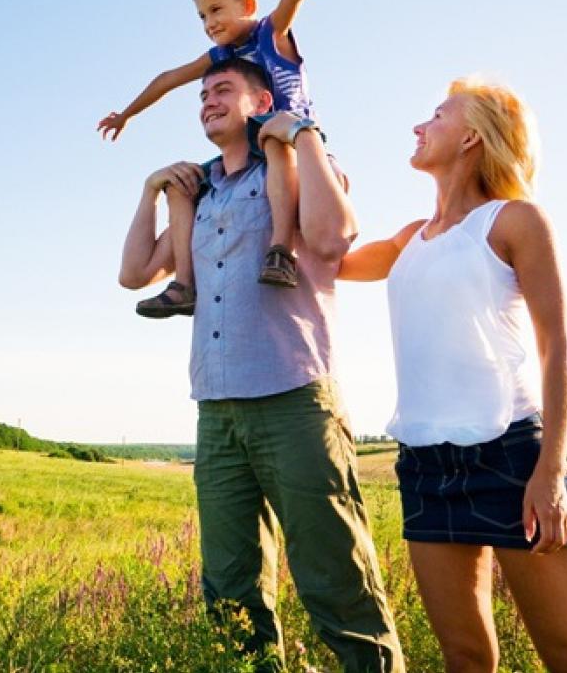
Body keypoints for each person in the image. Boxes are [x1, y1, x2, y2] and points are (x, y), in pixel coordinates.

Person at [118, 57, 403, 673]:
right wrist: (149, 190)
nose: (206, 102)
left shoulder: (296, 170)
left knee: (335, 575)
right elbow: (135, 272)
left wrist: (301, 135)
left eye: (222, 89)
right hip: (216, 411)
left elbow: (333, 240)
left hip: (294, 399)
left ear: (260, 101)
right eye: (200, 96)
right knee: (230, 588)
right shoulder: (199, 196)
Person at [338, 77, 567, 673]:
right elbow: (325, 259)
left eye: (436, 116)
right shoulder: (409, 239)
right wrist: (307, 156)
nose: (419, 126)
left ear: (471, 136)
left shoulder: (514, 222)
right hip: (424, 465)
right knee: (465, 658)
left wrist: (550, 471)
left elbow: (558, 345)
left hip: (512, 458)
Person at [101, 0, 376, 317]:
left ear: (246, 6)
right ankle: (185, 285)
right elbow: (168, 79)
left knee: (272, 139)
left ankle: (279, 249)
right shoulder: (219, 58)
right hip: (248, 149)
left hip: (290, 138)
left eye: (216, 10)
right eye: (201, 16)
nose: (209, 23)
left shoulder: (270, 34)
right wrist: (128, 113)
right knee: (182, 185)